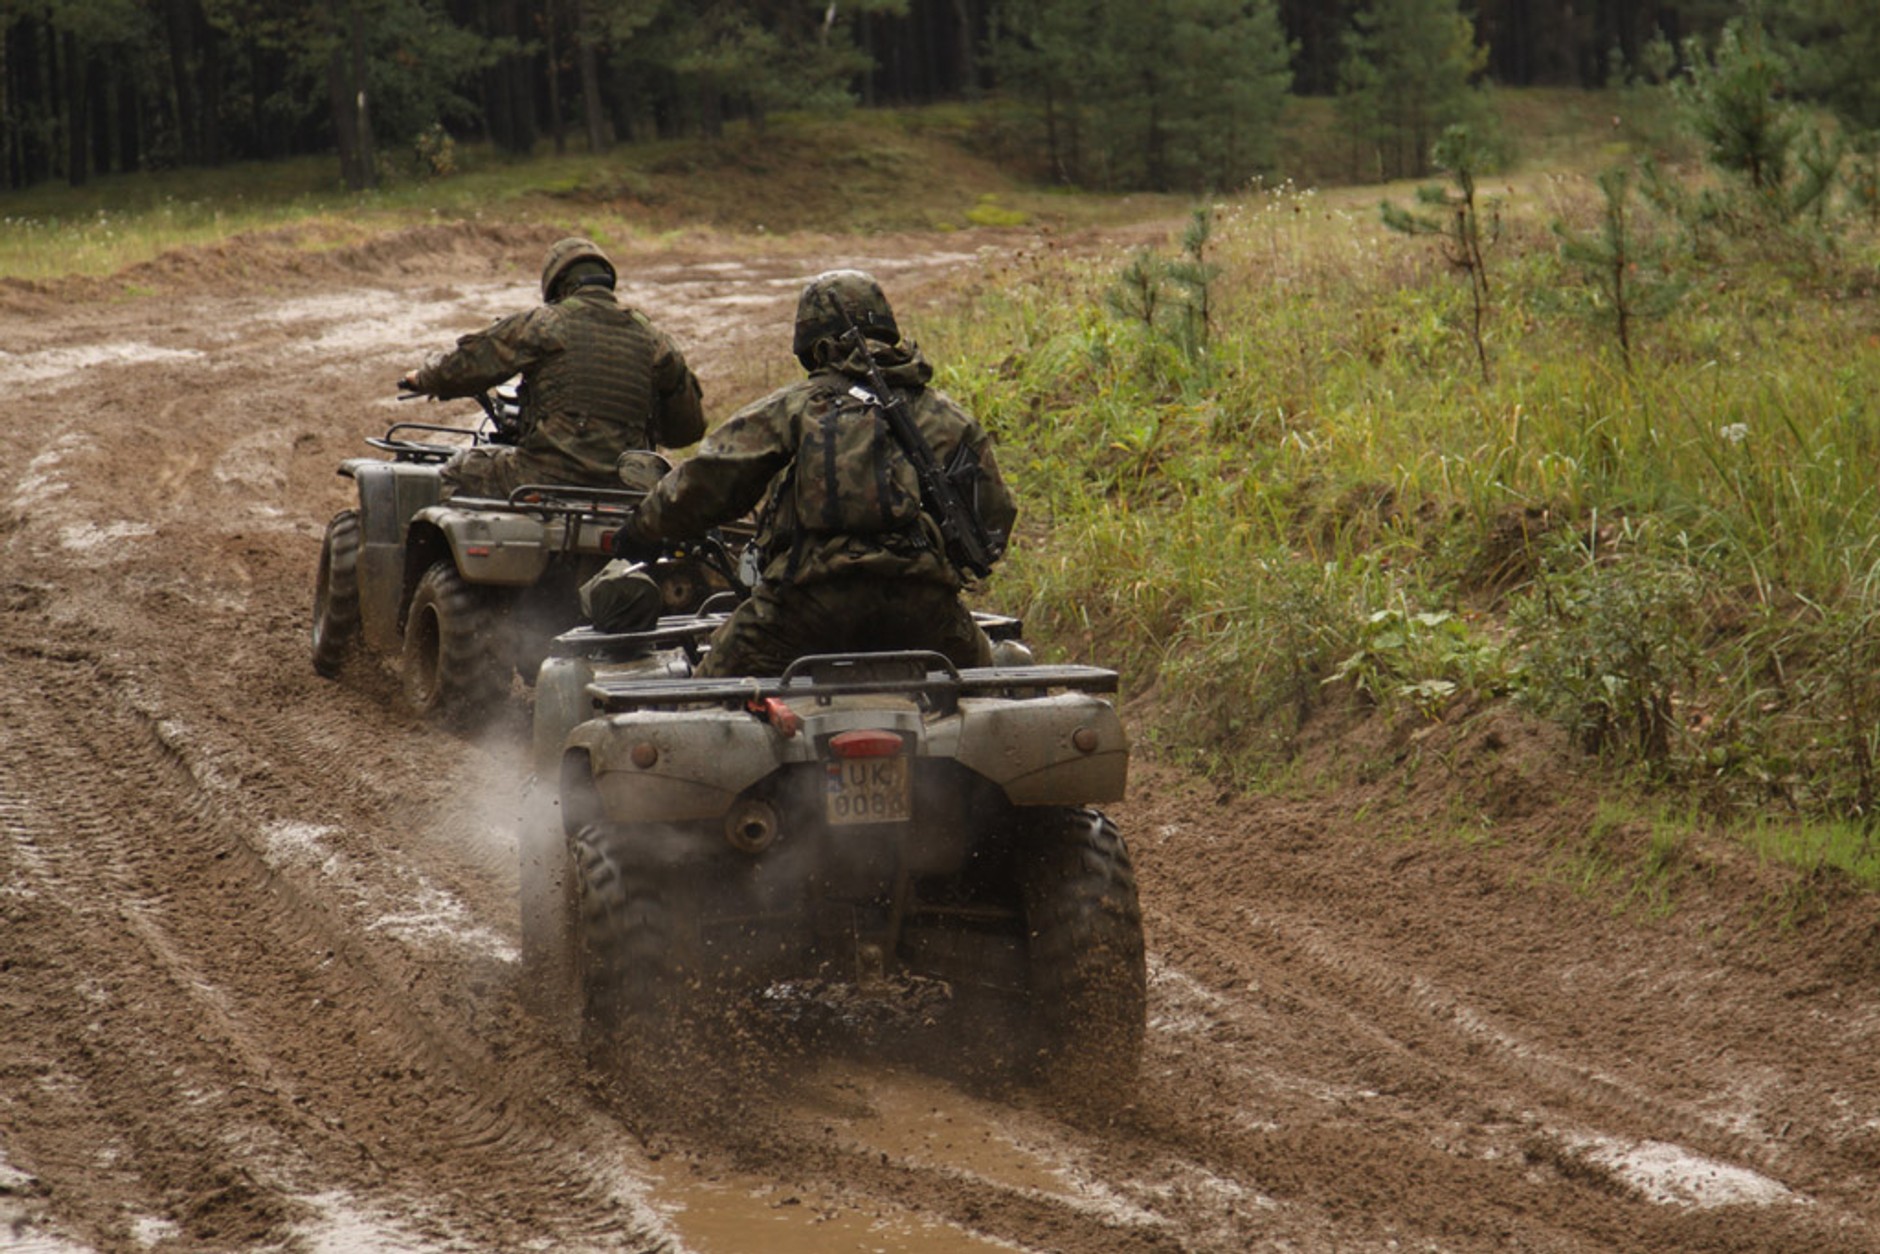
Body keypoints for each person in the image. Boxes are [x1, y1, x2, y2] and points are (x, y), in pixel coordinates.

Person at [612, 269, 1016, 677]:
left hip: (800, 609)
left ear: (816, 350)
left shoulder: (794, 408)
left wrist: (643, 529)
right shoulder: (947, 417)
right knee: (987, 687)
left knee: (705, 693)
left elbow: (709, 479)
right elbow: (995, 517)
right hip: (925, 610)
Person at [398, 237, 705, 499]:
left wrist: (424, 378)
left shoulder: (545, 325)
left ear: (558, 285)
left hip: (543, 477)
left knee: (457, 471)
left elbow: (467, 365)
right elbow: (686, 430)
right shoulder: (655, 340)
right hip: (626, 487)